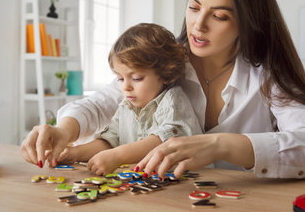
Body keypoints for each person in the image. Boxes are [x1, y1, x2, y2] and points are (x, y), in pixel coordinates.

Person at [21, 0, 305, 180]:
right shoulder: (166, 59)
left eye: (220, 16)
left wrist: (220, 146)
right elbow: (104, 101)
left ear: (247, 22)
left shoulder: (266, 74)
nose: (198, 25)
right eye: (194, 7)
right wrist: (64, 131)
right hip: (170, 208)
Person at [22, 23, 202, 175]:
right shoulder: (127, 105)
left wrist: (117, 156)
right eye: (120, 78)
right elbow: (110, 140)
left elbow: (163, 142)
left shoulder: (173, 99)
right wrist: (75, 153)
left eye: (137, 78)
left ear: (166, 73)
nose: (125, 87)